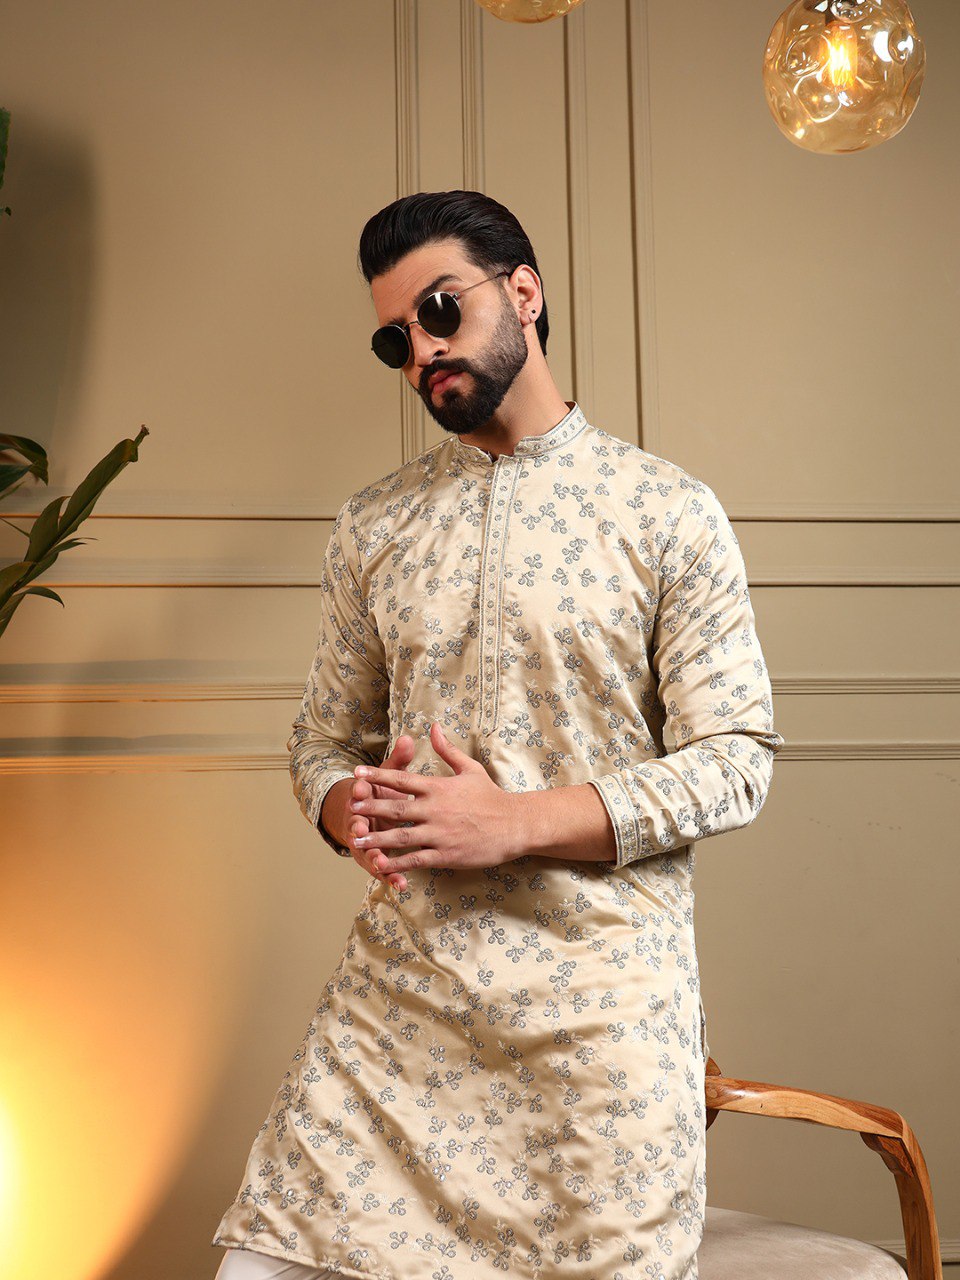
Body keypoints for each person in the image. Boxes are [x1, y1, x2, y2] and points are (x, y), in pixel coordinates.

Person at [211, 189, 785, 1280]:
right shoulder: (374, 524)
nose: (422, 350)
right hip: (403, 1007)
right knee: (263, 1264)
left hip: (600, 1018)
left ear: (523, 293)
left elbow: (736, 761)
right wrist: (350, 808)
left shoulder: (666, 511)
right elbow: (321, 741)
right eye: (395, 339)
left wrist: (510, 821)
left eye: (440, 310)